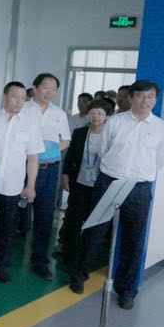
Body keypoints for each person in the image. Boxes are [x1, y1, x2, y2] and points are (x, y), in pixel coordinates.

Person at [69, 80, 164, 310]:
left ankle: (126, 290)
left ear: (155, 99)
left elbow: (160, 160)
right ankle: (79, 275)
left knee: (133, 239)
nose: (145, 101)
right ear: (131, 98)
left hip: (139, 188)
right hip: (109, 182)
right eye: (140, 96)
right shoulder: (114, 122)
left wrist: (138, 173)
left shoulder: (161, 128)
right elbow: (104, 151)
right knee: (94, 231)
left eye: (150, 96)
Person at [0, 82, 43, 283]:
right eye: (15, 96)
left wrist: (30, 185)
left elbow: (33, 158)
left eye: (23, 98)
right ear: (4, 96)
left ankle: (0, 266)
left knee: (7, 229)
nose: (19, 101)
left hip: (13, 185)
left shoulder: (29, 124)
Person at [21, 73, 71, 280]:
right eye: (45, 87)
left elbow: (65, 140)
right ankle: (1, 259)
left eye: (53, 88)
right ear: (35, 87)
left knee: (45, 216)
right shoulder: (23, 108)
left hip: (49, 168)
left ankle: (40, 261)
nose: (49, 92)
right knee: (14, 213)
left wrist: (46, 153)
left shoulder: (59, 114)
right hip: (23, 166)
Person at [57, 98, 115, 268]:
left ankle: (87, 259)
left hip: (100, 185)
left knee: (94, 223)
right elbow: (70, 157)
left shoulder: (111, 136)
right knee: (74, 219)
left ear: (107, 116)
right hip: (79, 183)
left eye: (100, 113)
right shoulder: (80, 132)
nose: (95, 116)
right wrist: (65, 175)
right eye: (92, 112)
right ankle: (69, 256)